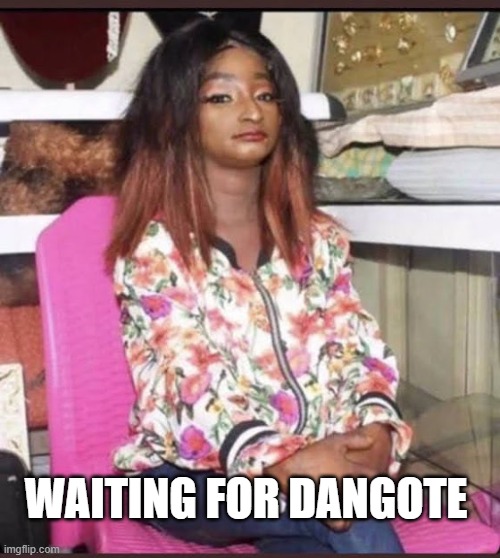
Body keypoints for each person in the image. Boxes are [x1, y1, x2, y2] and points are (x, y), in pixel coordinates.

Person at [105, 17, 413, 554]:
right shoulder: (154, 250)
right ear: (173, 117)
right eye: (220, 97)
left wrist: (376, 428)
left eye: (265, 94)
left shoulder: (319, 239)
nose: (251, 111)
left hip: (312, 459)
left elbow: (356, 349)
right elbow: (190, 382)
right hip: (187, 480)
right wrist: (284, 464)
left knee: (321, 529)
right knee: (354, 517)